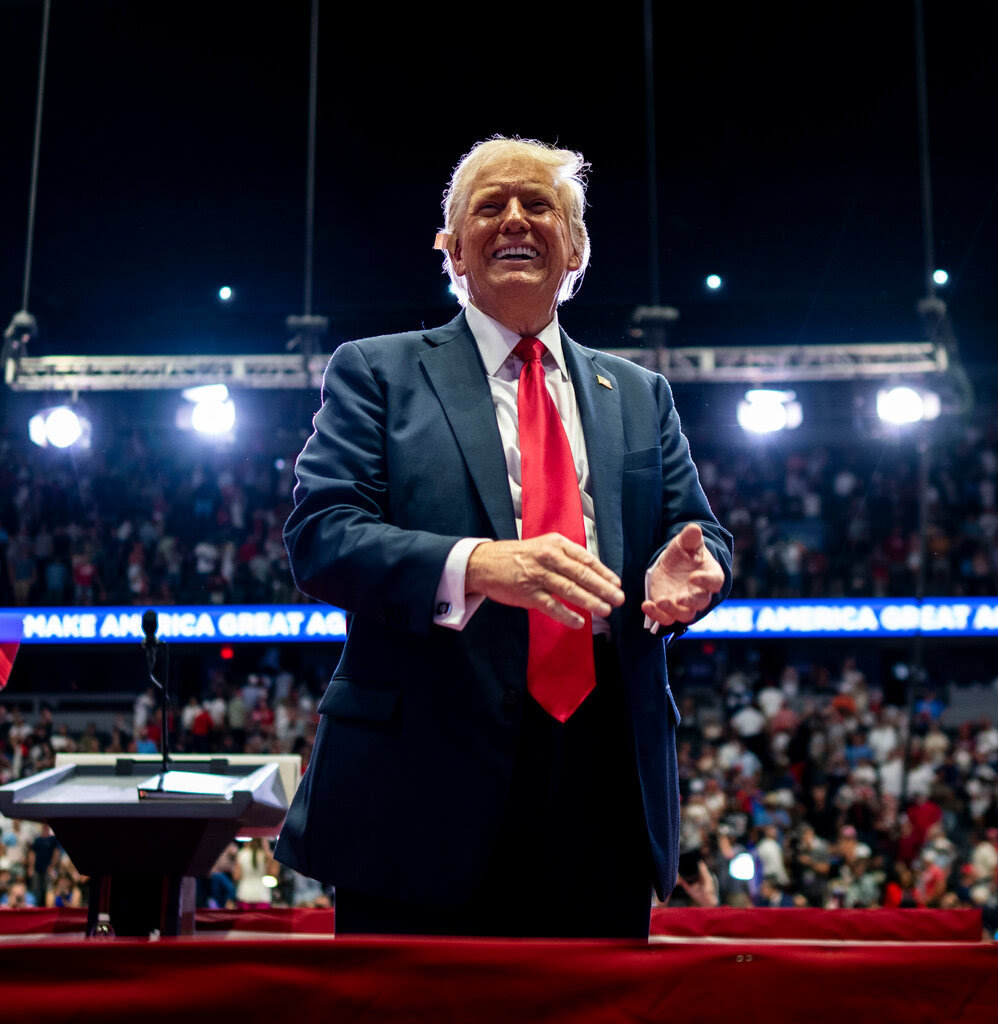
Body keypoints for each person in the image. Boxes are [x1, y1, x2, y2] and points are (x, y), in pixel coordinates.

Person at [274, 136, 732, 939]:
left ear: (576, 245)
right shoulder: (375, 371)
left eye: (538, 204)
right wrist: (481, 565)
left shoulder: (639, 392)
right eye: (488, 206)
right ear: (451, 249)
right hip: (417, 790)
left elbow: (700, 535)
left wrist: (693, 576)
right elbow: (322, 534)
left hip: (604, 786)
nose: (515, 218)